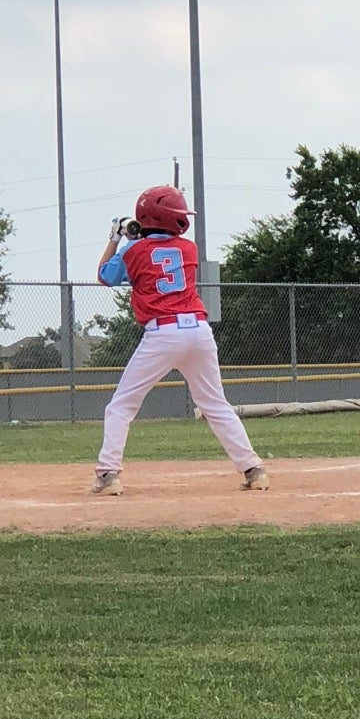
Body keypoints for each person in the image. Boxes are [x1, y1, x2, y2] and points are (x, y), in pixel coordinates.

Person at [90, 185, 268, 496]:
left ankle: (108, 474)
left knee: (120, 407)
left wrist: (117, 238)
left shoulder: (133, 250)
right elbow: (157, 256)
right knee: (215, 404)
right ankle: (253, 470)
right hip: (199, 331)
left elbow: (106, 276)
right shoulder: (189, 249)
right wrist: (138, 240)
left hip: (163, 334)